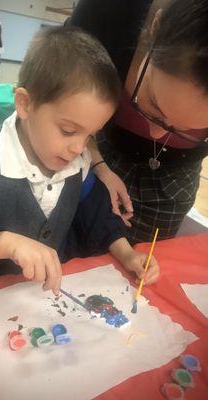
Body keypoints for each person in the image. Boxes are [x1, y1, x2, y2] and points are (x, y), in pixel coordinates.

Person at [0, 27, 159, 295]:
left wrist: (127, 253)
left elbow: (99, 217)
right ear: (25, 104)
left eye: (90, 136)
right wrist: (4, 242)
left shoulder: (76, 165)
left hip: (40, 303)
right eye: (68, 131)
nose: (79, 148)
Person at [67, 0, 208, 244]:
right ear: (154, 28)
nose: (156, 134)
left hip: (174, 179)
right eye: (154, 105)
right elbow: (61, 98)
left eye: (186, 129)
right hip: (95, 150)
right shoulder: (110, 10)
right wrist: (97, 164)